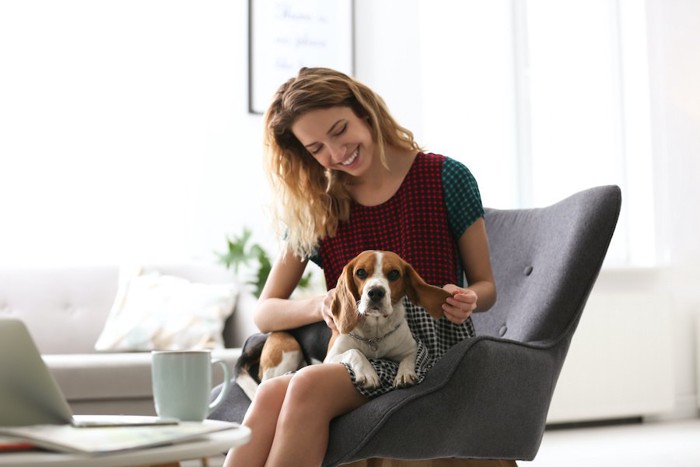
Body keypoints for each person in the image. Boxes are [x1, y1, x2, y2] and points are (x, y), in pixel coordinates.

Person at [224, 67, 503, 467]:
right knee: (270, 393)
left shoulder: (446, 177)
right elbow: (265, 311)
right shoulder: (318, 204)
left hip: (427, 351)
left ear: (364, 111)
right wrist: (324, 304)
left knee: (306, 385)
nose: (336, 153)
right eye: (317, 148)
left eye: (339, 130)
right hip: (358, 347)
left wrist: (470, 298)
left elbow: (486, 287)